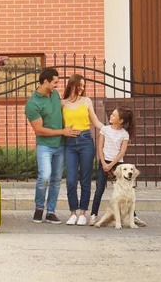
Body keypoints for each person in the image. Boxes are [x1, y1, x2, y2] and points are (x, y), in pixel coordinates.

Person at [25, 67, 80, 224]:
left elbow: (62, 107)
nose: (57, 85)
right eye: (55, 82)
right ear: (45, 82)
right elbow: (39, 130)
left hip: (60, 145)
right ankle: (39, 208)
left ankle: (50, 211)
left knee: (56, 179)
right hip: (45, 146)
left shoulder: (54, 94)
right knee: (44, 176)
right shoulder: (33, 104)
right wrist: (63, 131)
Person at [89, 106, 147, 227]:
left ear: (120, 120)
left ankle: (134, 216)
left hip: (118, 164)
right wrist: (104, 164)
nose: (111, 116)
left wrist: (111, 165)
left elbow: (122, 152)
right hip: (104, 162)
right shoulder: (105, 129)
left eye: (114, 115)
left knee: (125, 189)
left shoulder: (124, 134)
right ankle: (93, 215)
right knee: (99, 189)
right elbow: (100, 147)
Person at [62, 74, 104, 226]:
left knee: (85, 180)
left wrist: (108, 129)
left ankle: (82, 213)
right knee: (71, 180)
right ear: (72, 85)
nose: (82, 88)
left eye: (84, 86)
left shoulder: (86, 101)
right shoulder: (63, 103)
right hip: (70, 143)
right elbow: (60, 126)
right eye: (80, 85)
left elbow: (95, 121)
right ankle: (73, 212)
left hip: (86, 141)